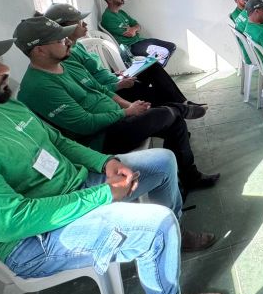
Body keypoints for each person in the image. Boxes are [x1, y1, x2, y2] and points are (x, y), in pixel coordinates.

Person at [0, 26, 225, 294]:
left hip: (72, 187)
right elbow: (12, 221)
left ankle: (175, 236)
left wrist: (106, 162)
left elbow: (57, 141)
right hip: (33, 240)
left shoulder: (1, 105)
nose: (4, 68)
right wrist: (103, 195)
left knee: (162, 161)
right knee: (155, 225)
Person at [14, 17, 219, 197]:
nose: (68, 41)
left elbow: (98, 88)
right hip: (99, 139)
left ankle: (188, 176)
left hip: (116, 118)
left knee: (174, 121)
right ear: (39, 50)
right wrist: (125, 112)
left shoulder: (64, 64)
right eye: (59, 40)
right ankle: (181, 108)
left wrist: (127, 105)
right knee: (169, 113)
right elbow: (85, 125)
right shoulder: (40, 86)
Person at [43, 3, 206, 118]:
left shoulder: (77, 46)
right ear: (65, 27)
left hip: (115, 80)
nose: (85, 24)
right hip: (113, 91)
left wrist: (115, 75)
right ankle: (178, 110)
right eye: (79, 22)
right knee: (157, 91)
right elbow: (90, 88)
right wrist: (117, 84)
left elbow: (96, 73)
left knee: (152, 67)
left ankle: (182, 103)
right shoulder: (65, 57)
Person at [99, 0, 176, 66]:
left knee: (171, 46)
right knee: (162, 53)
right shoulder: (108, 17)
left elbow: (138, 26)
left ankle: (155, 70)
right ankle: (155, 71)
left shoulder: (121, 12)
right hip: (132, 47)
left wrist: (133, 28)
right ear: (109, 0)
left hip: (140, 41)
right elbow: (130, 34)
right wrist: (134, 30)